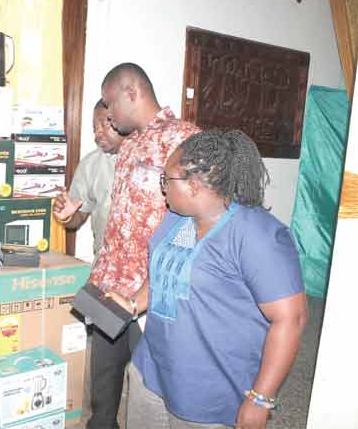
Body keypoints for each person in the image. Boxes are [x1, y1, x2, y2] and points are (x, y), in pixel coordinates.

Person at [123, 129, 307, 429]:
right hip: (152, 370)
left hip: (210, 391)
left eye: (166, 180)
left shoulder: (257, 236)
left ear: (194, 185)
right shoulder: (177, 217)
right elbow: (161, 274)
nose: (162, 189)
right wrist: (133, 302)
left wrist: (260, 398)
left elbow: (292, 319)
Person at [83, 63, 200, 428]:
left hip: (151, 295)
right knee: (103, 385)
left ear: (132, 93)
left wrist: (152, 288)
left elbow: (197, 219)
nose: (109, 112)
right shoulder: (130, 144)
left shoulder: (185, 139)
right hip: (110, 286)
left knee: (151, 391)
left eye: (110, 102)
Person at [54, 98, 141, 429]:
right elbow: (76, 220)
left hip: (146, 287)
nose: (97, 133)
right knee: (104, 372)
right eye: (93, 127)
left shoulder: (152, 161)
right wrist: (67, 215)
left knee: (149, 371)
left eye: (105, 124)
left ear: (124, 119)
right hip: (107, 282)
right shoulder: (92, 164)